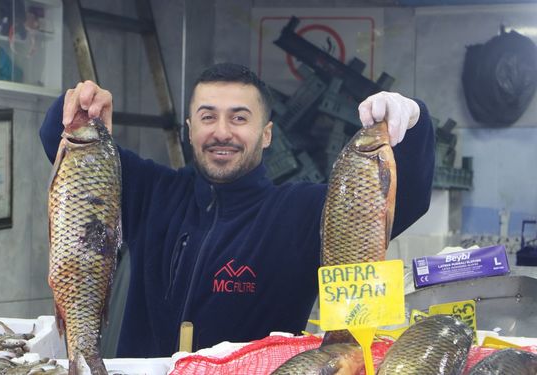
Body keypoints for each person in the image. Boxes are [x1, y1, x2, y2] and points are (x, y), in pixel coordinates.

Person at [40, 63, 435, 358]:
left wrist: (414, 122)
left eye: (239, 118)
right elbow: (58, 144)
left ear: (266, 135)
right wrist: (80, 105)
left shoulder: (299, 211)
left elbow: (409, 199)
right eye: (208, 116)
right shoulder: (152, 190)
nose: (222, 132)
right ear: (190, 129)